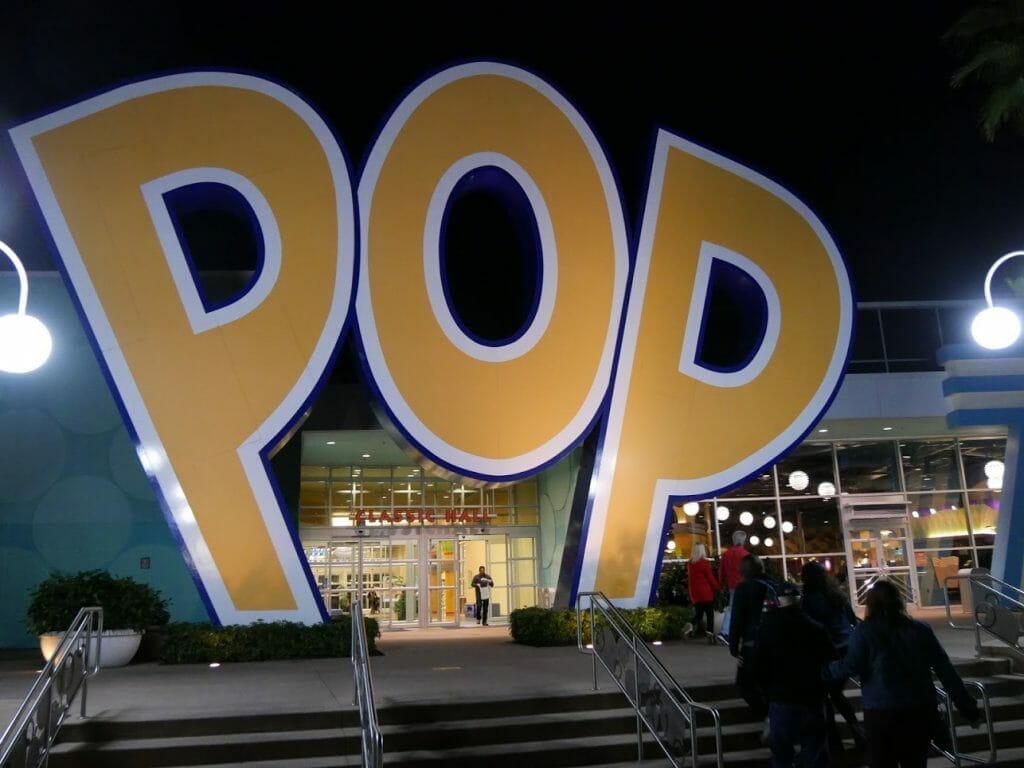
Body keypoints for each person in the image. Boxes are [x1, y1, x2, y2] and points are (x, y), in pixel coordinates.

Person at [828, 579, 981, 768]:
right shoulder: (920, 630)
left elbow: (851, 665)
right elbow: (945, 670)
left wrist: (826, 670)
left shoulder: (865, 631)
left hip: (881, 712)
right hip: (918, 710)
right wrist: (967, 707)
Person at [753, 582, 837, 768]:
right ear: (799, 601)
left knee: (782, 755)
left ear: (779, 601)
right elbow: (831, 660)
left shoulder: (768, 628)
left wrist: (766, 691)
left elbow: (758, 665)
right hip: (812, 699)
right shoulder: (815, 628)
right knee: (814, 753)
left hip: (782, 698)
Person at [800, 561, 865, 751]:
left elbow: (810, 627)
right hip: (846, 647)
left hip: (827, 650)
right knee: (836, 693)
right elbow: (852, 620)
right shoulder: (836, 595)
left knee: (824, 695)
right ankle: (856, 730)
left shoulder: (809, 599)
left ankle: (834, 738)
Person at [728, 554, 775, 738]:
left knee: (744, 683)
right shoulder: (773, 584)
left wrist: (734, 645)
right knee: (767, 682)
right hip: (774, 640)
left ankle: (769, 716)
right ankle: (775, 715)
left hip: (753, 643)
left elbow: (738, 619)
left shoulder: (744, 588)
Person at [718, 530, 750, 642]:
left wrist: (721, 585)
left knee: (732, 608)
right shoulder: (745, 554)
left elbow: (721, 572)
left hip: (732, 585)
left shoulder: (726, 554)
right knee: (746, 609)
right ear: (743, 540)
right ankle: (729, 632)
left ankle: (726, 631)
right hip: (744, 585)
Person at [686, 541, 720, 644]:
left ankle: (691, 624)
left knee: (699, 614)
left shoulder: (690, 564)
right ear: (702, 550)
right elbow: (710, 578)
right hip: (706, 593)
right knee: (710, 615)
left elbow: (690, 580)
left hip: (695, 593)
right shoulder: (703, 563)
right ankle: (710, 635)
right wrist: (718, 587)